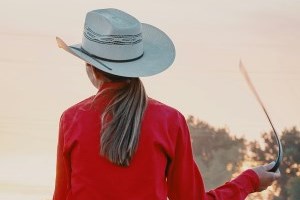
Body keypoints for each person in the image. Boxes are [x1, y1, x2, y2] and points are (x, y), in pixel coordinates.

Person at [53, 8, 280, 200]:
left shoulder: (72, 119)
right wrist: (250, 181)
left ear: (90, 67)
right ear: (138, 66)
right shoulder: (169, 121)